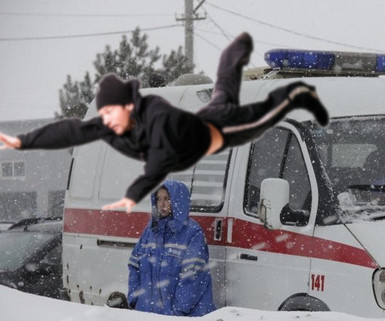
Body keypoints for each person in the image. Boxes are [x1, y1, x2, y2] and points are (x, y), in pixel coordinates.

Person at [0, 32, 328, 213]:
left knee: (255, 116)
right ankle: (234, 55)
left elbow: (158, 165)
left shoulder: (155, 113)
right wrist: (24, 141)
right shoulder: (109, 121)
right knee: (225, 89)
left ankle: (293, 92)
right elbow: (70, 130)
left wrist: (135, 194)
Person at [127, 179, 215, 316]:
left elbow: (194, 276)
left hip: (181, 320)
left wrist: (178, 310)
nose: (161, 204)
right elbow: (134, 266)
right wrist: (135, 299)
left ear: (178, 201)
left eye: (167, 199)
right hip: (148, 316)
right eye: (158, 199)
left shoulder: (192, 233)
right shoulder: (149, 232)